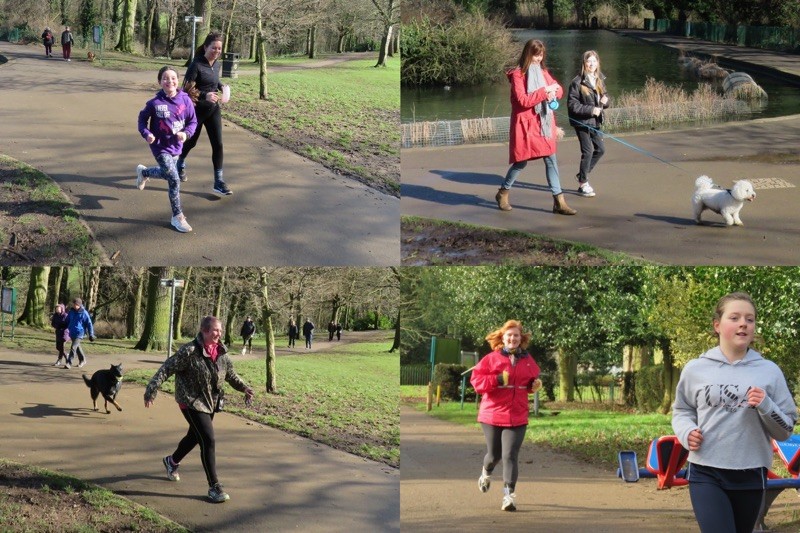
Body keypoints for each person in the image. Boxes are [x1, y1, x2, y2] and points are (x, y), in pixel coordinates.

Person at [672, 292, 797, 533]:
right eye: (735, 317)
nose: (743, 323)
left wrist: (766, 405)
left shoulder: (769, 371)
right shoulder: (696, 369)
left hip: (751, 473)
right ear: (717, 325)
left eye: (750, 319)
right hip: (706, 471)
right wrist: (686, 432)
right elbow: (682, 410)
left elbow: (785, 430)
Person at [144, 315, 254, 503]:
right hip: (190, 401)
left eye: (220, 330)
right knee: (208, 440)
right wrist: (151, 389)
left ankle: (171, 462)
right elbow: (167, 368)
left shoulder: (221, 352)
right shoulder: (189, 351)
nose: (218, 334)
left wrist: (244, 387)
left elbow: (231, 375)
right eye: (215, 330)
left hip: (210, 402)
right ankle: (214, 486)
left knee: (195, 436)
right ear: (204, 331)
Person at [495, 39, 574, 216]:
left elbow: (559, 89)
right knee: (520, 162)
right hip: (525, 125)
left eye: (541, 55)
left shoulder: (543, 72)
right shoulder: (518, 75)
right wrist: (544, 92)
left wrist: (554, 91)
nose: (538, 59)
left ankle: (558, 201)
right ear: (527, 54)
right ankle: (503, 193)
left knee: (551, 159)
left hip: (543, 123)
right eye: (535, 55)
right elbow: (523, 101)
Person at [470, 320, 542, 512]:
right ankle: (486, 472)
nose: (512, 338)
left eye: (516, 335)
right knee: (494, 455)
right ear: (502, 337)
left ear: (521, 338)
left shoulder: (528, 360)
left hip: (517, 415)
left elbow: (531, 382)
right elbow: (477, 382)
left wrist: (534, 386)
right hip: (492, 414)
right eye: (509, 335)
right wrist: (497, 379)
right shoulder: (491, 359)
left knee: (510, 455)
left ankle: (508, 496)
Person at [136, 66, 198, 233]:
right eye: (165, 78)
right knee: (174, 179)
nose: (169, 81)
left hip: (176, 147)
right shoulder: (155, 103)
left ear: (178, 81)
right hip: (160, 147)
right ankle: (177, 216)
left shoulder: (185, 100)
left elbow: (193, 121)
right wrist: (147, 133)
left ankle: (145, 173)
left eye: (173, 78)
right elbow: (142, 120)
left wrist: (186, 133)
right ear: (159, 82)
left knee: (168, 173)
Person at [177, 32, 232, 196]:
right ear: (206, 46)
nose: (217, 51)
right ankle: (179, 163)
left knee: (218, 144)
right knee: (191, 142)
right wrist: (204, 95)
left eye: (219, 48)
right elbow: (186, 89)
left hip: (213, 109)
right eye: (214, 47)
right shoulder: (196, 64)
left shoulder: (217, 64)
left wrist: (221, 86)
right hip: (196, 110)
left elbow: (213, 80)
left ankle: (218, 181)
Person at [567, 50, 610, 198]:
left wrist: (606, 101)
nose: (592, 64)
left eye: (594, 61)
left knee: (601, 150)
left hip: (596, 122)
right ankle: (583, 184)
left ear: (598, 63)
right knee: (588, 151)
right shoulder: (577, 82)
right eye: (589, 61)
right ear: (584, 63)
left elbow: (606, 97)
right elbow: (573, 106)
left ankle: (581, 175)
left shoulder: (599, 79)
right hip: (582, 122)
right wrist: (592, 110)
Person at [65, 298, 94, 369]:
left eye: (76, 304)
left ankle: (69, 363)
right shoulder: (71, 311)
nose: (74, 306)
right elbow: (67, 320)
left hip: (80, 332)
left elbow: (89, 323)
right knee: (77, 347)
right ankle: (83, 360)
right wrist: (63, 326)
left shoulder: (84, 313)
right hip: (72, 332)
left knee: (73, 347)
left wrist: (91, 334)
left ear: (79, 305)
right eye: (74, 304)